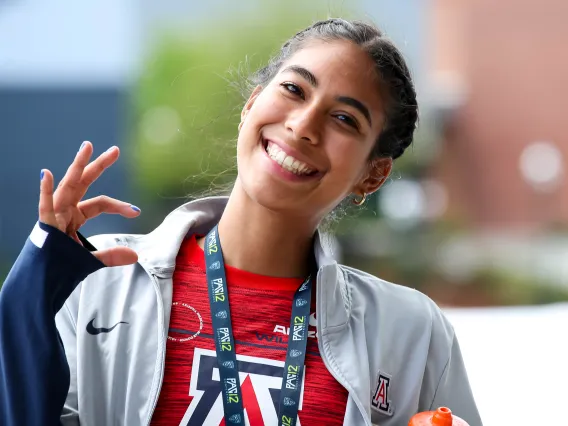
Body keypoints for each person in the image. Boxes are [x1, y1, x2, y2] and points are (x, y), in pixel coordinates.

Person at [0, 18, 482, 426]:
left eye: (344, 120)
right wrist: (33, 294)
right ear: (252, 105)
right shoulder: (98, 278)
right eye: (293, 90)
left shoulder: (411, 332)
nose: (303, 125)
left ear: (373, 175)